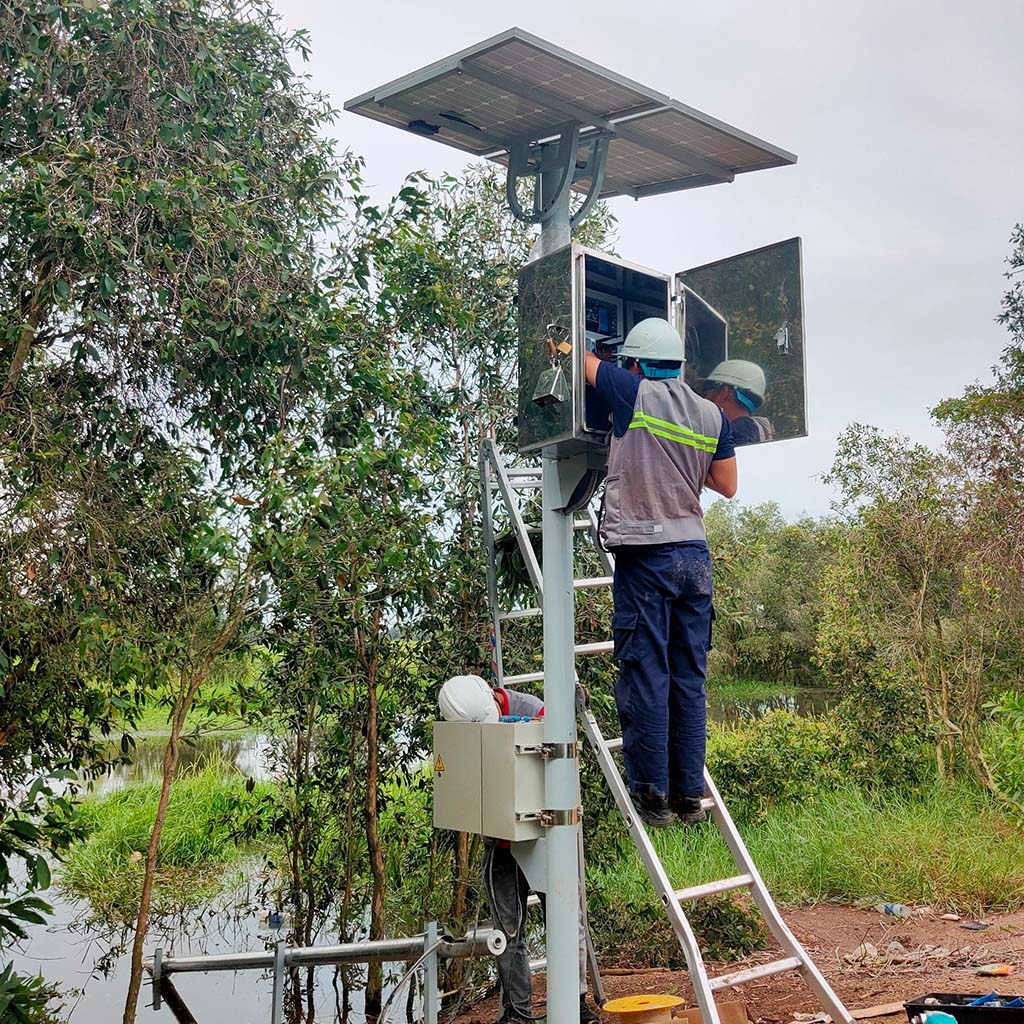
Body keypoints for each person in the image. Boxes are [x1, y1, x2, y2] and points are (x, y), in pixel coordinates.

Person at [583, 318, 737, 828]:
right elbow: (727, 484)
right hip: (695, 555)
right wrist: (681, 461)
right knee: (688, 680)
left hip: (647, 556)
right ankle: (688, 797)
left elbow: (583, 365)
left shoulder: (632, 391)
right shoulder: (712, 413)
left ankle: (652, 795)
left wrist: (566, 341)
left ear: (636, 362)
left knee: (648, 673)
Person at [438, 675, 598, 1024]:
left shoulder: (536, 711)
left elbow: (562, 774)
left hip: (546, 838)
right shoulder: (462, 731)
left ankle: (575, 1004)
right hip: (501, 842)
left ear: (494, 700)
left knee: (567, 920)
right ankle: (517, 1012)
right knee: (507, 933)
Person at [702, 359, 774, 446]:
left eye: (706, 390)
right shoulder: (760, 434)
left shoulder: (729, 440)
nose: (704, 398)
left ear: (725, 393)